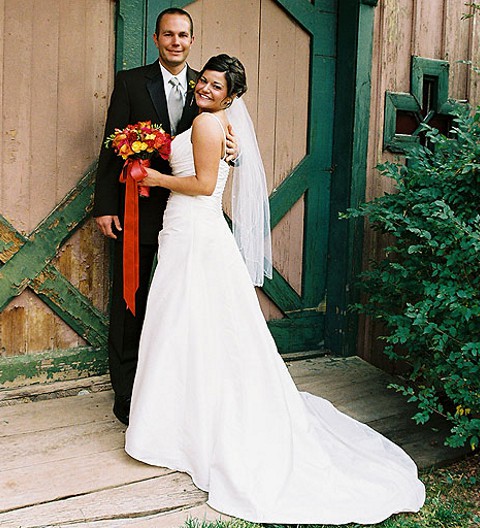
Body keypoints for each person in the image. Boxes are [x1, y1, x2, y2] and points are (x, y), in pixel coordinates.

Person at [124, 54, 426, 525]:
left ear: (231, 95)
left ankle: (176, 427)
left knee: (184, 322)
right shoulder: (212, 124)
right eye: (203, 80)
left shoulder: (208, 126)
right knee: (192, 326)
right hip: (190, 233)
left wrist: (155, 176)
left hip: (195, 233)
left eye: (216, 85)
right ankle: (182, 421)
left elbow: (204, 187)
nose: (204, 88)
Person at [93, 8, 237, 425]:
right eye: (169, 34)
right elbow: (110, 147)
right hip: (134, 210)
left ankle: (179, 389)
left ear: (192, 41)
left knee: (182, 304)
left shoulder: (207, 88)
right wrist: (105, 205)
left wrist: (237, 149)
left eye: (184, 35)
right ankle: (126, 392)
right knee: (131, 299)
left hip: (185, 213)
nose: (176, 41)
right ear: (156, 39)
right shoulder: (131, 82)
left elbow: (221, 142)